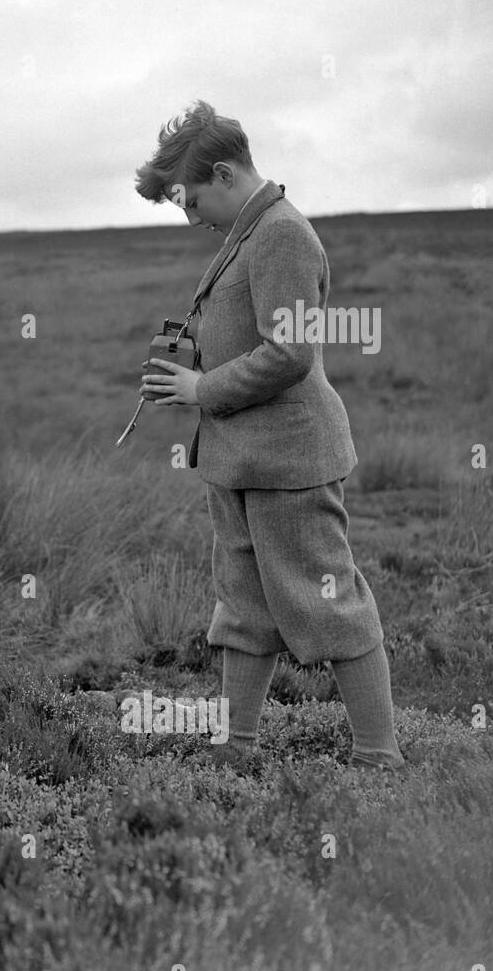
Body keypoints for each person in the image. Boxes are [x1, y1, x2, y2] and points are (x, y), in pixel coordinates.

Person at [133, 102, 405, 772]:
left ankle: (379, 758)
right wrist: (191, 360)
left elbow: (289, 353)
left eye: (193, 201)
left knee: (331, 604)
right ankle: (237, 752)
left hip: (290, 459)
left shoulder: (283, 235)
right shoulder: (246, 233)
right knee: (245, 612)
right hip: (239, 459)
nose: (192, 217)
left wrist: (203, 390)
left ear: (224, 173)